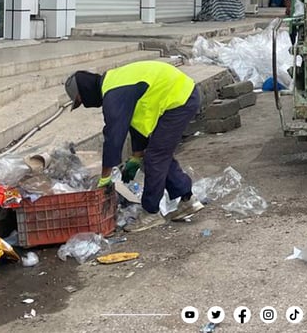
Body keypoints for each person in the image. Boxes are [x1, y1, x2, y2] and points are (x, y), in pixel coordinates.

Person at [64, 61, 204, 233]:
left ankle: (151, 213)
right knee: (156, 154)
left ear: (85, 91)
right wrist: (136, 156)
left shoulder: (113, 95)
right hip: (181, 94)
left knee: (155, 157)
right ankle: (187, 199)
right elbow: (136, 124)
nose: (85, 104)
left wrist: (105, 177)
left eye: (81, 101)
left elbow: (113, 137)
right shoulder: (113, 82)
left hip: (180, 99)